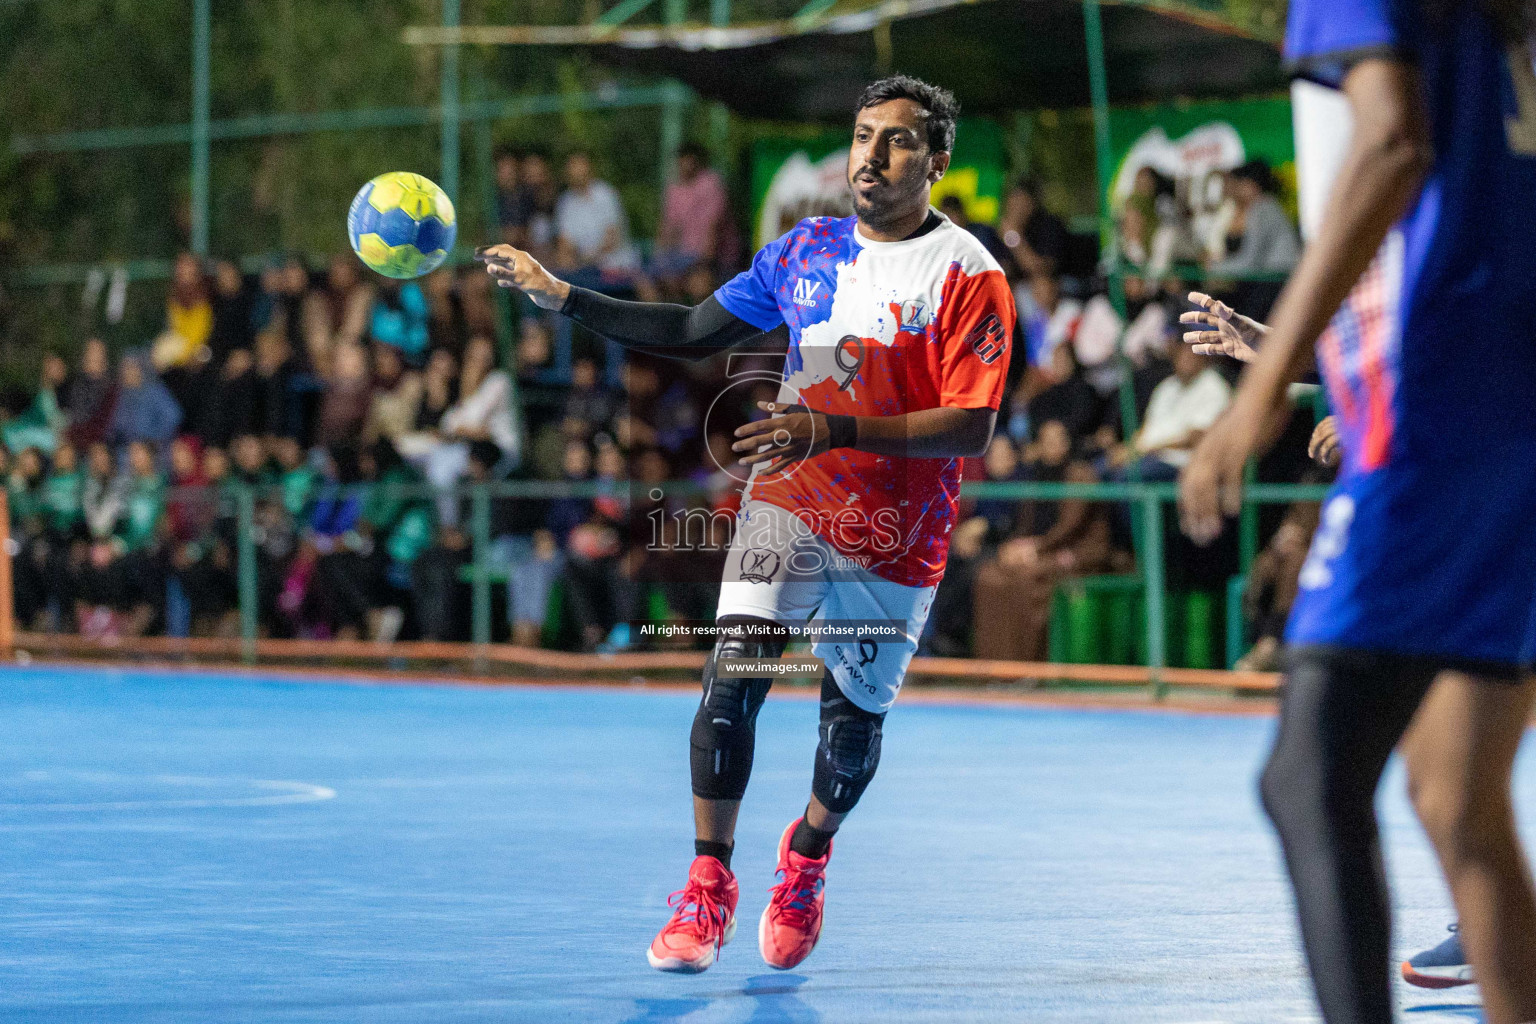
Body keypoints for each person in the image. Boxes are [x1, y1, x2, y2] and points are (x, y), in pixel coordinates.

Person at [477, 73, 1014, 975]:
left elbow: (973, 425)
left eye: (898, 140)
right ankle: (707, 883)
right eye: (861, 135)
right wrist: (564, 295)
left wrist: (832, 425)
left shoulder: (970, 277)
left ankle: (805, 856)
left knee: (848, 743)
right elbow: (691, 327)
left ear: (938, 162)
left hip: (896, 537)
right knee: (733, 680)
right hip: (789, 499)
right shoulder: (803, 251)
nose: (872, 156)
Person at [1177, 4, 1536, 1023]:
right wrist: (1316, 362)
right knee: (1456, 796)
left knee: (1309, 774)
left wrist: (1261, 394)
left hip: (1447, 408)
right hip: (1502, 398)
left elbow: (1393, 142)